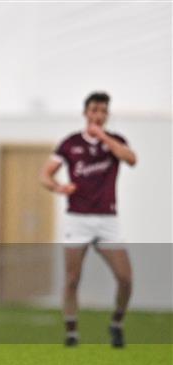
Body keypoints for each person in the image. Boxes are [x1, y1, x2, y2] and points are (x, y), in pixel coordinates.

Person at [39, 92, 137, 348]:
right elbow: (45, 175)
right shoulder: (70, 143)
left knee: (125, 278)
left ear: (107, 115)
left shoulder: (115, 141)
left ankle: (117, 323)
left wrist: (103, 137)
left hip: (107, 220)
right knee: (72, 278)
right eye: (94, 111)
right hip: (77, 219)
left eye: (103, 111)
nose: (98, 116)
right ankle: (71, 332)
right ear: (86, 113)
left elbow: (131, 159)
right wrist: (57, 187)